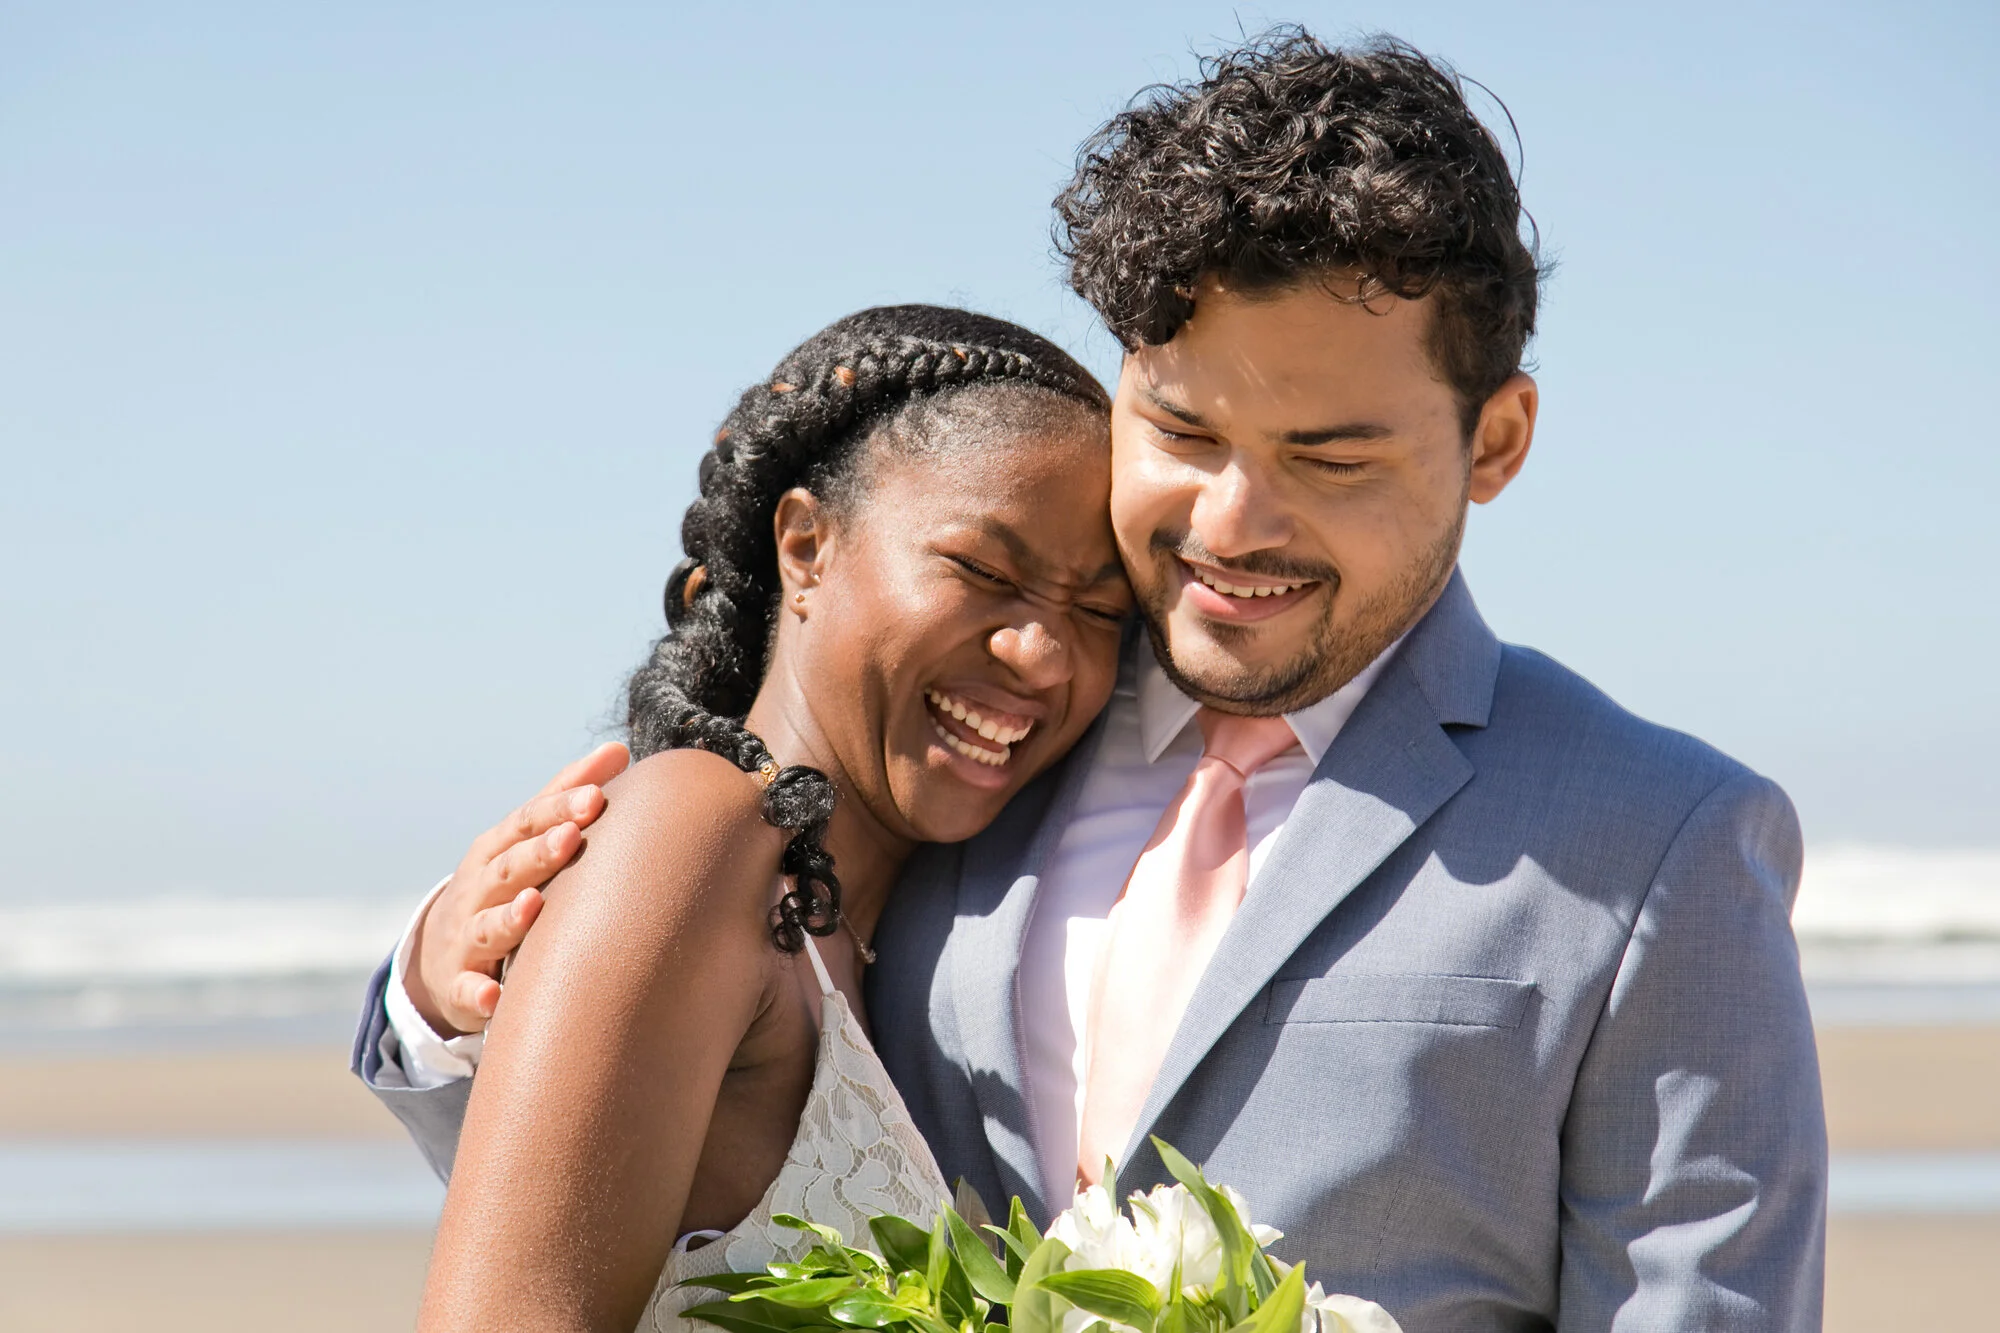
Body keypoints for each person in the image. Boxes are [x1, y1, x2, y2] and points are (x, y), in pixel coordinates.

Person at [356, 31, 1826, 1332]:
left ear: (1495, 441)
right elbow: (679, 1139)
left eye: (1331, 455)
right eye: (1183, 430)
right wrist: (444, 988)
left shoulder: (1665, 847)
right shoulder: (970, 752)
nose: (1232, 522)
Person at [405, 303, 1134, 1331]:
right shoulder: (692, 834)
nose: (1042, 654)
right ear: (805, 546)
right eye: (983, 572)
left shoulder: (916, 925)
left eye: (1099, 613)